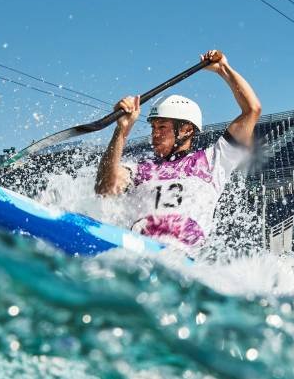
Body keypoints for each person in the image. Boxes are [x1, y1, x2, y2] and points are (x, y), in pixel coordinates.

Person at [94, 49, 262, 253]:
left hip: (182, 258)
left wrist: (223, 69)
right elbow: (105, 188)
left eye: (162, 127)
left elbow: (252, 110)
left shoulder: (213, 161)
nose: (154, 134)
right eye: (153, 128)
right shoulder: (140, 169)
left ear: (186, 130)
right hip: (137, 253)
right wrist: (121, 131)